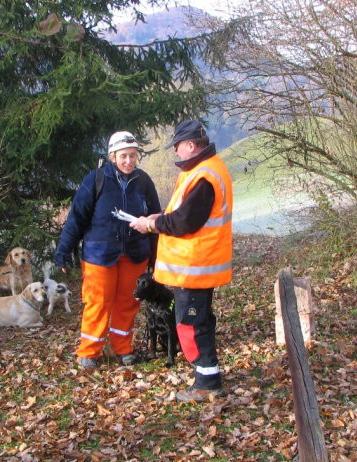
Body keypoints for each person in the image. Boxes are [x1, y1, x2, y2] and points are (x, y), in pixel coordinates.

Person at [129, 120, 233, 402]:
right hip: (197, 265)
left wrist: (152, 225)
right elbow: (180, 212)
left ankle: (207, 383)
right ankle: (207, 376)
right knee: (200, 322)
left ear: (190, 145)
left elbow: (185, 221)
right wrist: (158, 217)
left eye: (177, 146)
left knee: (190, 325)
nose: (175, 152)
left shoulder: (203, 176)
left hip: (196, 266)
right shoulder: (205, 170)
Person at [55, 131, 162, 369]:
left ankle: (123, 349)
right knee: (97, 302)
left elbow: (156, 219)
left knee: (128, 302)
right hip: (99, 255)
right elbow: (77, 218)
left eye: (133, 156)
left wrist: (156, 255)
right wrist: (63, 250)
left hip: (135, 253)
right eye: (123, 156)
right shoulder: (96, 179)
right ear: (113, 156)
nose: (129, 161)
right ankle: (89, 352)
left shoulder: (143, 182)